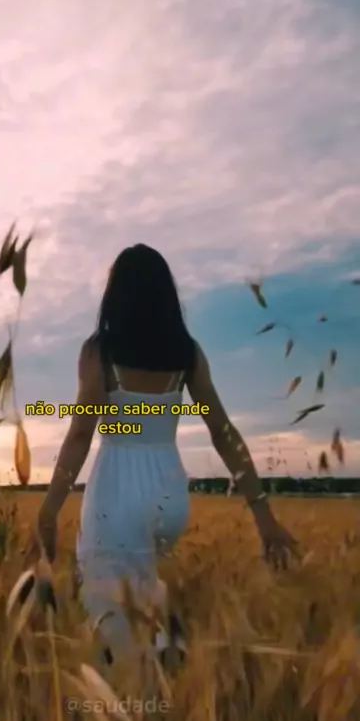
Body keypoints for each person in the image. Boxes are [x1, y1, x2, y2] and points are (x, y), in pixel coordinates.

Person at [26, 244, 298, 661]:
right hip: (169, 492)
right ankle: (174, 679)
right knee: (150, 608)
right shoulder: (187, 353)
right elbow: (223, 432)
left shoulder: (99, 353)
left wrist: (48, 512)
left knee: (111, 625)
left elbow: (81, 433)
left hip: (115, 493)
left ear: (114, 296)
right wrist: (264, 516)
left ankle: (138, 690)